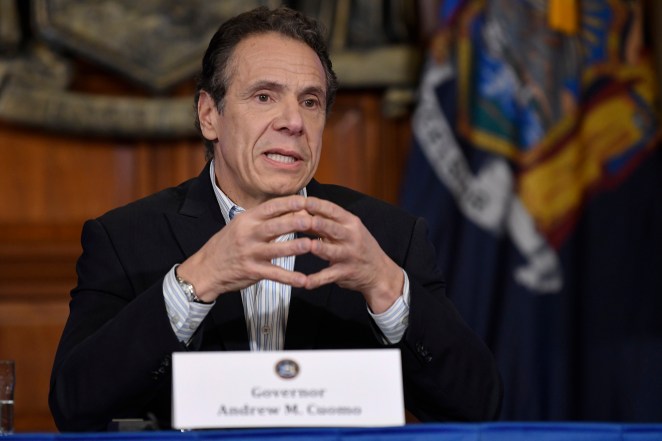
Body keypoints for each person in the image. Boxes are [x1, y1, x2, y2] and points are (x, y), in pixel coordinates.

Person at [49, 6, 502, 432]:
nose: (293, 121)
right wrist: (196, 281)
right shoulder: (125, 238)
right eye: (265, 96)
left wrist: (386, 287)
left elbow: (479, 406)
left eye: (311, 101)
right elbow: (75, 405)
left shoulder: (387, 238)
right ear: (210, 115)